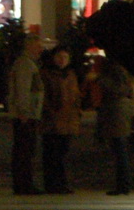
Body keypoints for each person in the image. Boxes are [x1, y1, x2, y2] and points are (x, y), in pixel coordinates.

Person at [7, 34, 45, 194]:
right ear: (29, 46)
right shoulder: (26, 65)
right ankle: (24, 184)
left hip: (28, 113)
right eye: (38, 46)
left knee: (25, 150)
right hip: (26, 115)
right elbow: (23, 90)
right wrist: (24, 111)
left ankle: (23, 183)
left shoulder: (28, 64)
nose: (41, 49)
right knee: (24, 151)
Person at [97, 53, 134, 195]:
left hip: (117, 112)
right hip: (117, 111)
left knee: (120, 149)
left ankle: (123, 184)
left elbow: (120, 89)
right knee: (119, 149)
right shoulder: (121, 70)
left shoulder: (117, 70)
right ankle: (123, 184)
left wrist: (101, 80)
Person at [40, 47, 80, 194]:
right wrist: (51, 112)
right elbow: (43, 97)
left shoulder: (70, 74)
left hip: (68, 120)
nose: (62, 60)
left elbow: (76, 97)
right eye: (59, 56)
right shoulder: (46, 74)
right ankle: (51, 184)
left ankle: (62, 183)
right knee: (51, 152)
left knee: (63, 153)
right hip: (52, 120)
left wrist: (76, 114)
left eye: (65, 57)